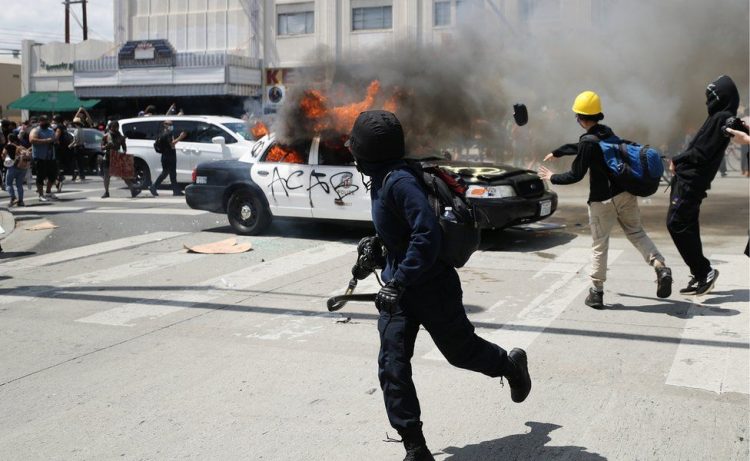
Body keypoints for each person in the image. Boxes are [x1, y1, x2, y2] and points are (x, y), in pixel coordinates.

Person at [347, 110, 531, 461]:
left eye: (356, 149)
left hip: (431, 287)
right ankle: (415, 447)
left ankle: (510, 366)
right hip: (399, 294)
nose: (352, 154)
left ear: (368, 152)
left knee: (461, 353)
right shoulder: (383, 178)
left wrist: (398, 280)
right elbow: (401, 231)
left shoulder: (399, 182)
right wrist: (377, 246)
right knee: (393, 365)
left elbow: (427, 234)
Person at [538, 91, 672, 308]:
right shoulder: (608, 134)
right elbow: (584, 147)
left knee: (600, 245)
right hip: (626, 195)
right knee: (637, 233)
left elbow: (575, 174)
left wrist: (551, 177)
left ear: (580, 118)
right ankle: (660, 265)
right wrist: (559, 151)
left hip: (603, 202)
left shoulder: (588, 142)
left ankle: (596, 292)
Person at [667, 75, 740, 295]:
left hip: (692, 182)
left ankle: (704, 271)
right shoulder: (716, 117)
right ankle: (700, 274)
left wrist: (678, 159)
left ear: (721, 97)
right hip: (686, 179)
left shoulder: (723, 118)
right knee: (686, 225)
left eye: (711, 96)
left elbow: (702, 152)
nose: (708, 101)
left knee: (676, 223)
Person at [101, 120, 140, 199]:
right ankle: (106, 192)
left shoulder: (120, 136)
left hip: (116, 156)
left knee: (124, 174)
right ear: (110, 127)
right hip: (108, 157)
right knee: (106, 176)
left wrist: (124, 152)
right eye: (114, 127)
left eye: (116, 126)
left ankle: (133, 190)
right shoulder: (106, 136)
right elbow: (102, 147)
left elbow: (124, 145)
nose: (115, 128)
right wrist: (106, 146)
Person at [149, 120, 186, 196]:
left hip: (166, 155)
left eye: (171, 124)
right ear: (165, 125)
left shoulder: (162, 133)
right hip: (169, 156)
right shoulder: (167, 134)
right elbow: (171, 144)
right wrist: (180, 137)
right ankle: (154, 186)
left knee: (172, 173)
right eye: (169, 124)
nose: (171, 126)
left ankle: (176, 191)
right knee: (166, 173)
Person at [30, 115, 58, 202]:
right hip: (40, 157)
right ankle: (41, 195)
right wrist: (46, 141)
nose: (45, 122)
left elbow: (54, 139)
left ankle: (48, 192)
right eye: (43, 121)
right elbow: (32, 140)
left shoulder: (51, 130)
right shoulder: (36, 130)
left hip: (51, 157)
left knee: (53, 176)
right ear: (40, 121)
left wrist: (55, 140)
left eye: (46, 120)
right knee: (40, 177)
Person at [3, 134, 31, 206]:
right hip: (22, 167)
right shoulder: (22, 147)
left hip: (12, 166)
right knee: (19, 185)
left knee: (8, 184)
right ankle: (21, 201)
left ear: (9, 139)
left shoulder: (8, 146)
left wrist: (5, 159)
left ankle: (13, 198)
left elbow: (3, 154)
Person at [69, 117, 87, 181]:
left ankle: (80, 176)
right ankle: (82, 175)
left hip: (78, 147)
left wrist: (70, 145)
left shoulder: (76, 130)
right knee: (81, 162)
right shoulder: (82, 130)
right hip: (82, 147)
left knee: (78, 163)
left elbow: (76, 140)